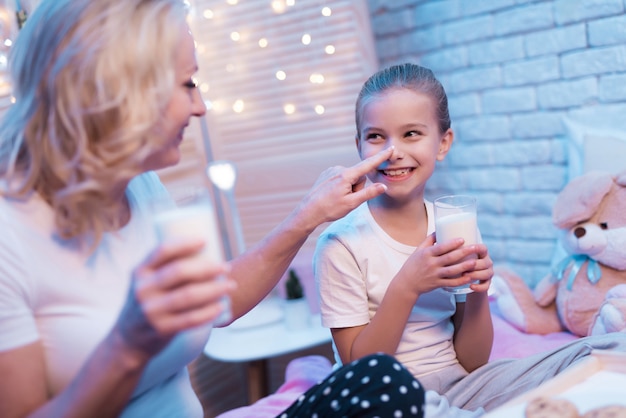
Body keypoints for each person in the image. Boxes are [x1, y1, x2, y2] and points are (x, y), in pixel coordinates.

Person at [0, 1, 428, 417]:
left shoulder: (138, 183)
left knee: (381, 382)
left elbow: (217, 302)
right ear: (116, 91)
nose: (200, 105)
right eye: (187, 84)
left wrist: (309, 214)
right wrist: (127, 348)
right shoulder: (10, 233)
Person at [313, 62, 626, 414]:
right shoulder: (340, 244)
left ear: (443, 143)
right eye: (376, 137)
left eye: (411, 134)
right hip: (385, 397)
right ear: (359, 145)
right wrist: (407, 286)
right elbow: (359, 371)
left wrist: (477, 293)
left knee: (612, 348)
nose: (394, 151)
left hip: (459, 385)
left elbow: (474, 363)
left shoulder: (455, 226)